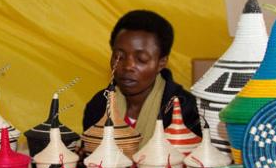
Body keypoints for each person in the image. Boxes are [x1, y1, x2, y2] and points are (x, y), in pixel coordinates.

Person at [82, 10, 201, 147]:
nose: (128, 66)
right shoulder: (99, 105)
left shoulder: (185, 109)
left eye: (141, 59)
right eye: (119, 56)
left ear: (161, 63)